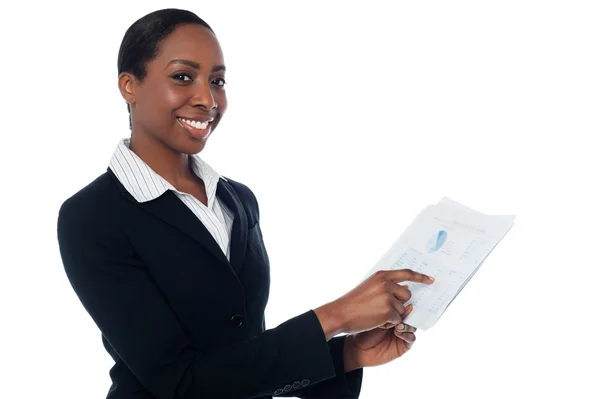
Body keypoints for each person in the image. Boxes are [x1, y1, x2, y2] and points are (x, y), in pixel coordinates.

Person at [56, 8, 435, 399]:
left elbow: (242, 354)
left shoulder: (237, 200)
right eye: (182, 77)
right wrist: (335, 316)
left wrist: (348, 354)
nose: (207, 98)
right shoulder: (92, 217)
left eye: (217, 80)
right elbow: (182, 382)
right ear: (129, 86)